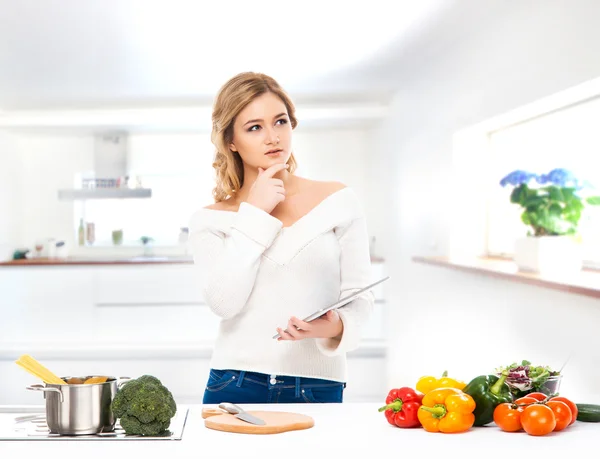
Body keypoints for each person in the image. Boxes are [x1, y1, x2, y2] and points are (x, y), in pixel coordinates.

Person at [188, 71, 374, 404]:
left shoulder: (338, 201)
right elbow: (223, 303)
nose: (273, 137)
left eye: (281, 122)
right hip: (234, 382)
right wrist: (255, 213)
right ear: (230, 140)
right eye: (254, 127)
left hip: (318, 384)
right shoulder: (209, 221)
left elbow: (359, 298)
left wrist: (330, 327)